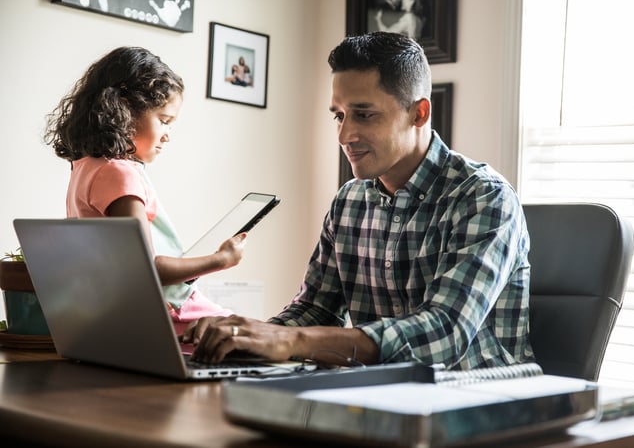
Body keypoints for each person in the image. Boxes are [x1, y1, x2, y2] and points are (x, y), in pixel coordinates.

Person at [184, 32, 534, 371]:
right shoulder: (349, 200)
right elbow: (316, 309)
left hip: (480, 404)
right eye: (339, 115)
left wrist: (293, 342)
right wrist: (247, 339)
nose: (344, 135)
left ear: (419, 113)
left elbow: (444, 334)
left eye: (364, 115)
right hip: (379, 399)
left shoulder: (483, 196)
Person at [43, 46, 247, 334]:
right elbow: (144, 269)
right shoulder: (119, 173)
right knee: (254, 335)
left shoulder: (84, 167)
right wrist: (221, 259)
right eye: (163, 120)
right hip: (170, 310)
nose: (167, 135)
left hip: (110, 316)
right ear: (124, 110)